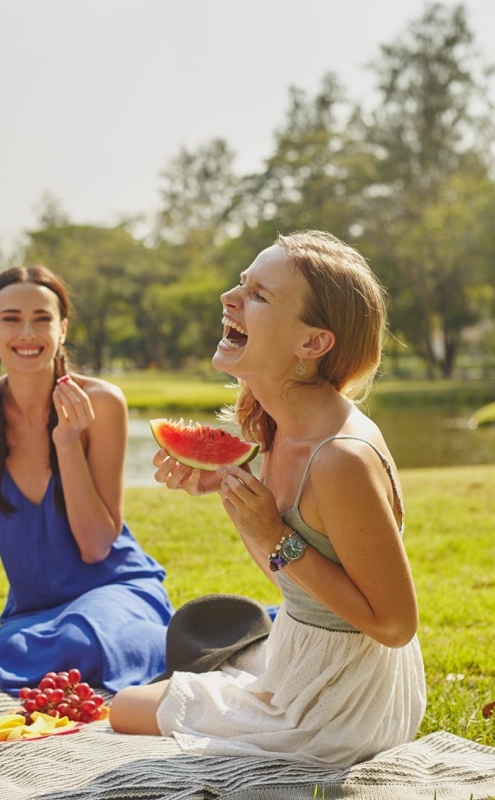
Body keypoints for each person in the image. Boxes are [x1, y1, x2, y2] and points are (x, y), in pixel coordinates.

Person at [110, 230, 426, 767]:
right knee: (178, 679)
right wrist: (234, 496)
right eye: (241, 284)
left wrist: (275, 535)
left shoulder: (339, 458)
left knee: (124, 708)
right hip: (304, 656)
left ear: (312, 343)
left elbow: (395, 625)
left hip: (343, 706)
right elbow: (294, 584)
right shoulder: (278, 430)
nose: (228, 301)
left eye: (259, 295)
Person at [0, 265, 173, 693]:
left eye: (42, 319)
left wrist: (68, 442)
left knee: (81, 639)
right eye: (11, 318)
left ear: (62, 329)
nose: (27, 333)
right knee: (5, 651)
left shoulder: (102, 403)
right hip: (35, 611)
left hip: (115, 589)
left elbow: (96, 547)